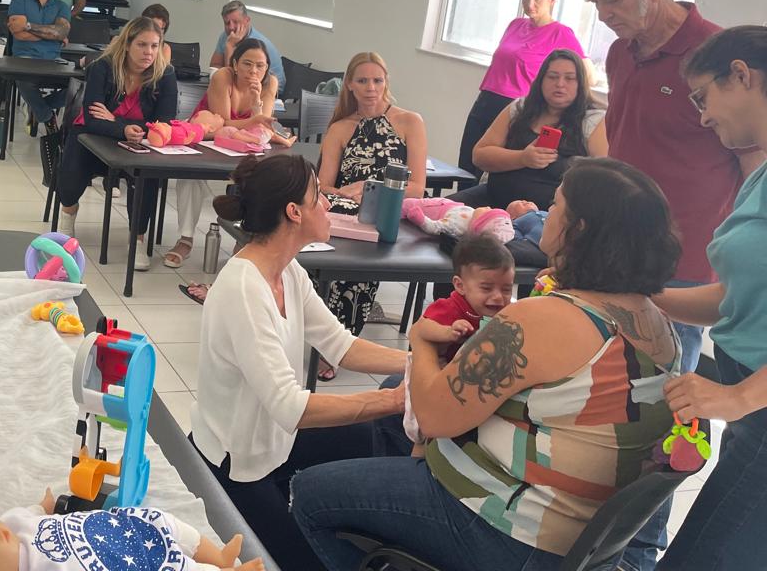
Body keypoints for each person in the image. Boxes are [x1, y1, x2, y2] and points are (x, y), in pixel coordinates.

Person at [290, 157, 682, 571]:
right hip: (577, 537)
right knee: (395, 398)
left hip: (513, 531)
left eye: (556, 205)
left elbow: (435, 416)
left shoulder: (545, 319)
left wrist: (421, 338)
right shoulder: (661, 326)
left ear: (578, 230)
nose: (545, 213)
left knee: (310, 494)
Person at [189, 154, 407, 571]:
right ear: (294, 212)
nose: (328, 204)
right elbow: (290, 406)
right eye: (319, 196)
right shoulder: (244, 289)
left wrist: (416, 365)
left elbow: (341, 346)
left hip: (277, 441)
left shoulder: (288, 272)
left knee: (373, 438)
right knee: (307, 561)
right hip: (237, 462)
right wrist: (394, 400)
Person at [576, 0, 760, 373]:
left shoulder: (715, 55)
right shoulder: (620, 51)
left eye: (613, 0)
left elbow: (753, 163)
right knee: (606, 371)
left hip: (682, 249)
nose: (603, 15)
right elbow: (622, 135)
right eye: (595, 3)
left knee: (666, 378)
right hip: (617, 237)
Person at [650, 26, 767, 570]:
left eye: (703, 97)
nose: (702, 117)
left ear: (741, 75)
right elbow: (737, 295)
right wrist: (649, 297)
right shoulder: (760, 174)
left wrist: (738, 397)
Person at [316, 52, 427, 345]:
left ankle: (340, 342)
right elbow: (325, 186)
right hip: (347, 209)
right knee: (325, 254)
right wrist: (347, 193)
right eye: (363, 81)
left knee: (359, 259)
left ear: (386, 82)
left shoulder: (409, 122)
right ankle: (326, 332)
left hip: (390, 210)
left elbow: (417, 187)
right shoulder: (340, 128)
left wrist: (370, 186)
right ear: (350, 84)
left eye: (377, 80)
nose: (371, 88)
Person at [0, 489, 260, 571]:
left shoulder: (11, 525)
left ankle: (219, 556)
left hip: (116, 528)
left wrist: (44, 506)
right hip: (124, 562)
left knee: (166, 523)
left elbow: (31, 511)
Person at [57, 17, 177, 249]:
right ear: (127, 44)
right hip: (93, 136)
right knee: (75, 161)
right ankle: (68, 212)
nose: (149, 52)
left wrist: (115, 120)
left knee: (147, 175)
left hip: (137, 141)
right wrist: (123, 128)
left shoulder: (166, 74)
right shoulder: (102, 67)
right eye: (142, 45)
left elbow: (164, 123)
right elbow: (92, 119)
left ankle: (138, 237)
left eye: (154, 46)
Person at [166, 38, 282, 272]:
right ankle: (185, 239)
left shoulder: (270, 83)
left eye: (260, 66)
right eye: (247, 64)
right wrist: (256, 119)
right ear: (235, 64)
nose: (254, 71)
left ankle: (244, 241)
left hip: (243, 146)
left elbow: (264, 125)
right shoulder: (222, 77)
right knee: (190, 176)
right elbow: (223, 122)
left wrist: (257, 104)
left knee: (263, 179)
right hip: (207, 139)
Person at [457, 0, 588, 176]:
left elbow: (585, 73)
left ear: (552, 1)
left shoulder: (561, 33)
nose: (530, 4)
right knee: (466, 164)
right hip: (487, 98)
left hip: (514, 105)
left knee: (499, 170)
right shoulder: (515, 25)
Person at [402, 235, 514, 454]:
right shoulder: (450, 307)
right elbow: (422, 328)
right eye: (486, 288)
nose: (498, 297)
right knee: (424, 431)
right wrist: (448, 331)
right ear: (460, 285)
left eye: (507, 289)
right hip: (429, 371)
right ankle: (416, 462)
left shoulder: (499, 312)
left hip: (459, 378)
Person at [456, 49, 607, 211]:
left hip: (546, 214)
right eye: (552, 77)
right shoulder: (519, 108)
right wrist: (522, 158)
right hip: (492, 198)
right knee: (444, 209)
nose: (560, 84)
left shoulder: (593, 121)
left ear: (581, 84)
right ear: (541, 80)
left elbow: (602, 177)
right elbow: (479, 155)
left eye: (569, 78)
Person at [7, 0, 72, 131]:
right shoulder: (19, 0)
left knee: (78, 87)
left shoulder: (62, 6)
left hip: (53, 61)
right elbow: (18, 33)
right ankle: (47, 116)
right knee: (23, 80)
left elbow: (61, 33)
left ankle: (37, 107)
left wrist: (28, 26)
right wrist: (51, 35)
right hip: (25, 59)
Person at [209, 0, 285, 87]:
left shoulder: (255, 44)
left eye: (236, 22)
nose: (231, 27)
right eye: (227, 23)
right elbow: (215, 65)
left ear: (247, 20)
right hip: (246, 84)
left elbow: (235, 79)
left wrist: (230, 46)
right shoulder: (227, 36)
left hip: (269, 88)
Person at [141, 2, 173, 68]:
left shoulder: (165, 48)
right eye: (155, 28)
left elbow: (162, 72)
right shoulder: (131, 41)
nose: (159, 33)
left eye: (162, 29)